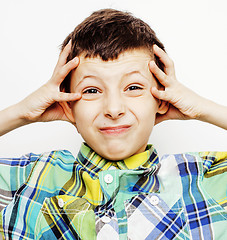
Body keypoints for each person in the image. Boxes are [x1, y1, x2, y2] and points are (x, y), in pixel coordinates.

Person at [0, 8, 226, 240]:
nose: (114, 109)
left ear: (161, 98)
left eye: (133, 87)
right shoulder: (32, 176)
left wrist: (202, 108)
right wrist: (20, 113)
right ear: (67, 104)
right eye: (91, 90)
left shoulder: (201, 179)